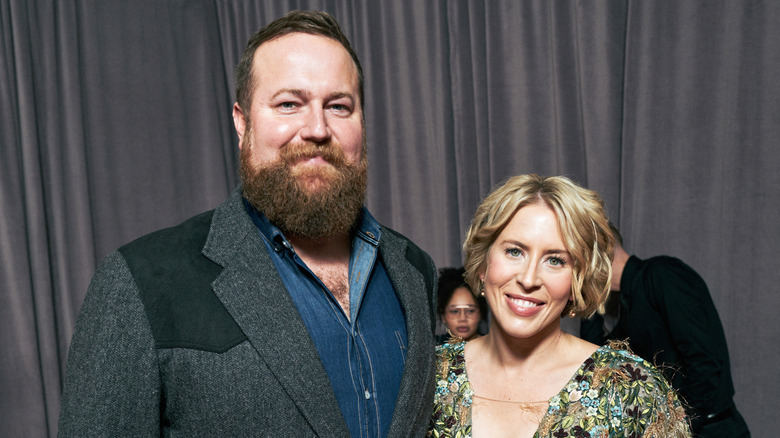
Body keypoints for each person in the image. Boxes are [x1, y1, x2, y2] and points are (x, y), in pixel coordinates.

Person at [58, 10, 438, 437]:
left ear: (361, 123)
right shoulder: (141, 283)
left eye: (339, 106)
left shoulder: (413, 270)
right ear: (243, 122)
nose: (317, 128)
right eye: (289, 104)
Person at [429, 174, 691, 438]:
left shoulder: (628, 390)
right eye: (514, 251)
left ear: (577, 280)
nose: (529, 279)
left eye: (555, 260)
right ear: (484, 264)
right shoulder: (428, 375)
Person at [580, 224, 750, 437]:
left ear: (600, 256)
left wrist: (681, 426)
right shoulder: (631, 305)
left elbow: (705, 359)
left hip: (712, 429)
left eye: (580, 263)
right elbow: (600, 358)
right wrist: (589, 299)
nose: (577, 272)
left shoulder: (662, 274)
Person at [436, 267, 486, 343]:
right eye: (454, 311)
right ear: (443, 316)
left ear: (480, 314)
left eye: (470, 311)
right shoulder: (430, 349)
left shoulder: (496, 349)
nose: (462, 318)